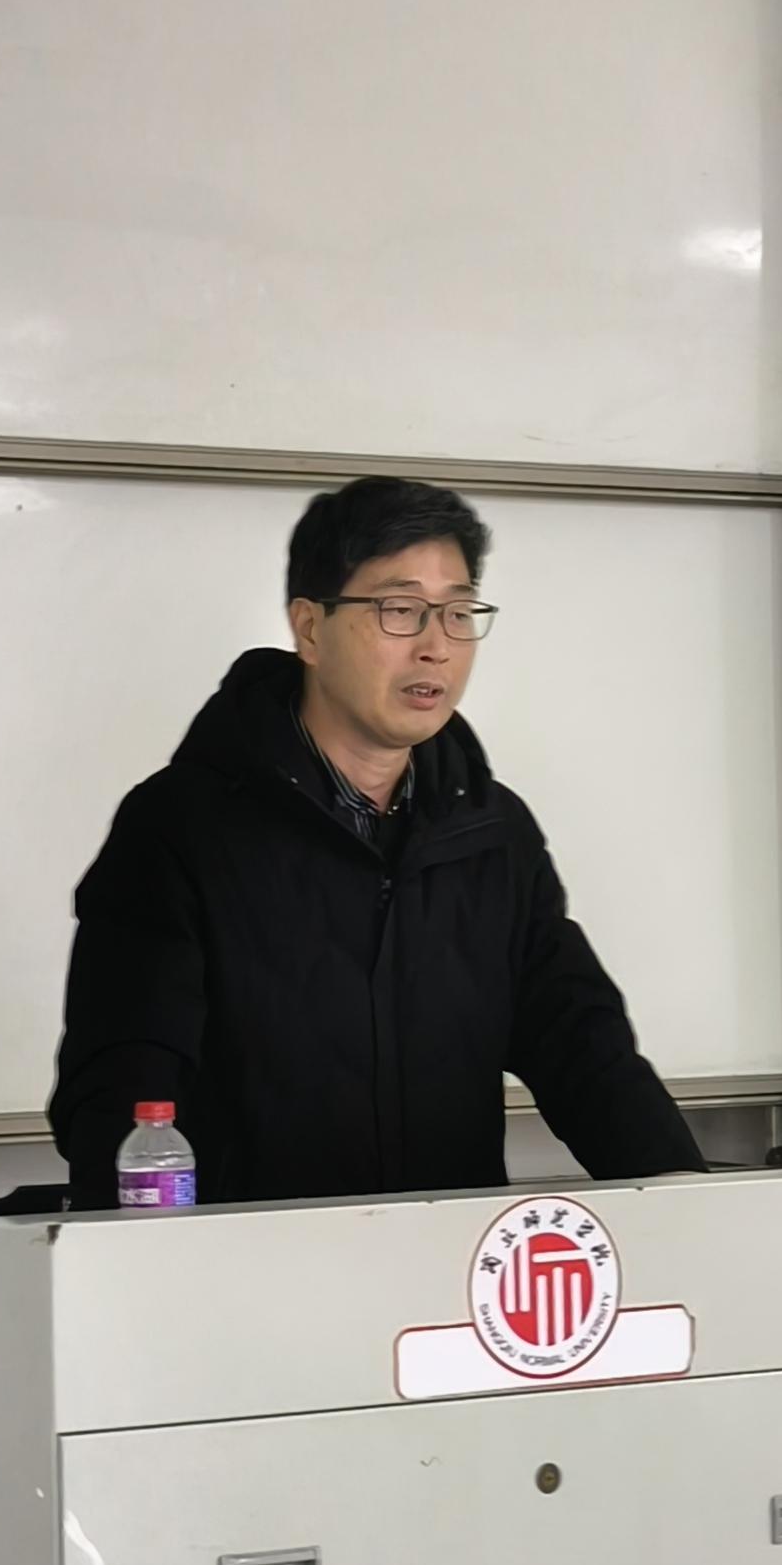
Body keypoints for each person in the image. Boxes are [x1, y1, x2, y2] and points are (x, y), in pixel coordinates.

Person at [50, 475, 703, 1208]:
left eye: (458, 612)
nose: (436, 647)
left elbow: (583, 1049)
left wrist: (683, 1197)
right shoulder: (181, 828)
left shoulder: (492, 835)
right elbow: (123, 1091)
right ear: (310, 628)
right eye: (400, 610)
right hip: (254, 1263)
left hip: (451, 1264)